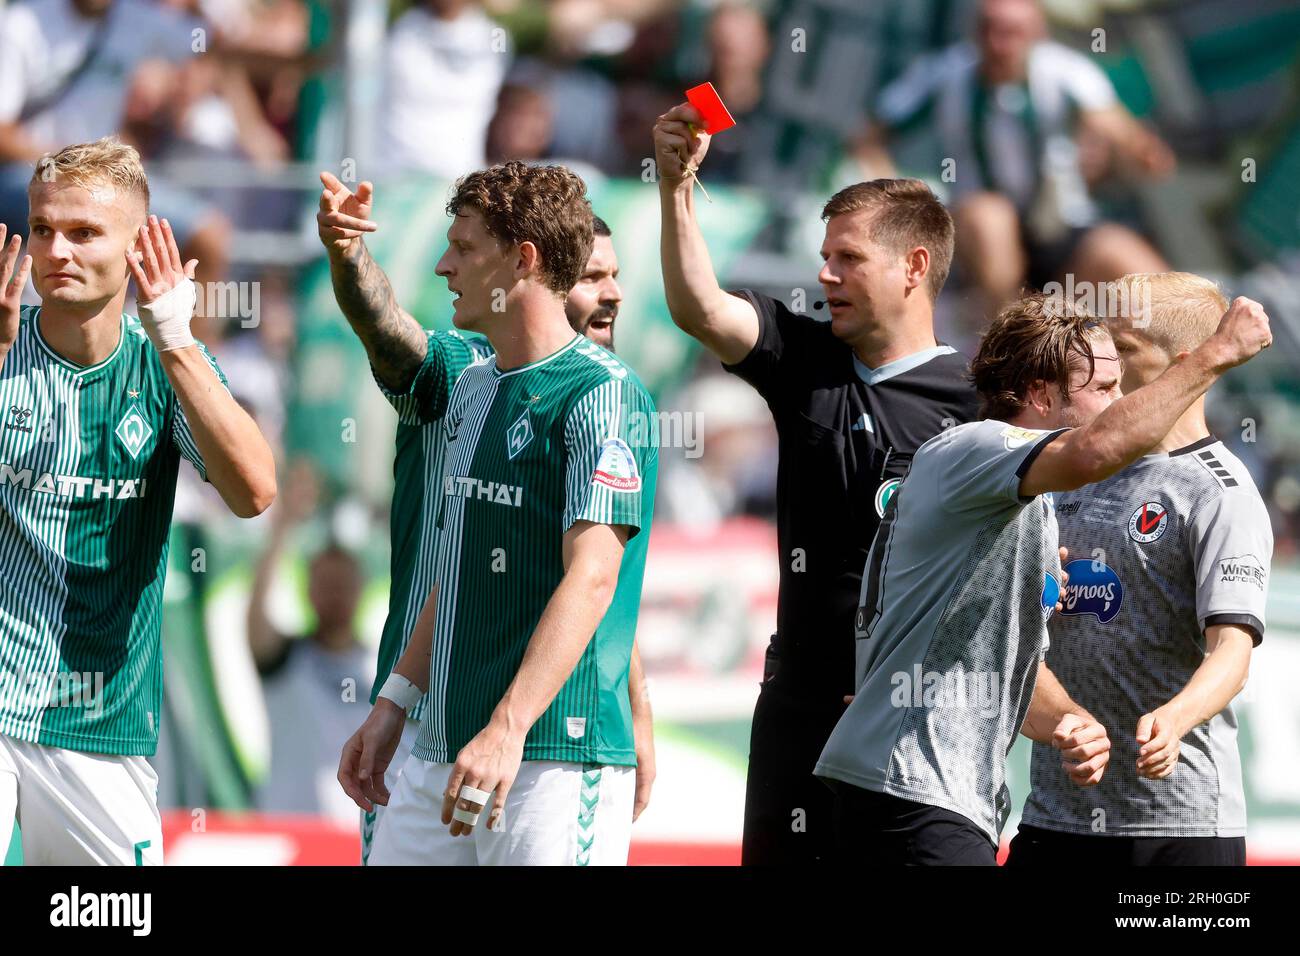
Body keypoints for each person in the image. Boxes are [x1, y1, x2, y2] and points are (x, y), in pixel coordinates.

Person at [815, 289, 1271, 865]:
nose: (1120, 402)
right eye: (1104, 389)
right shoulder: (979, 449)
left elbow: (1003, 654)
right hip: (915, 785)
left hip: (933, 794)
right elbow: (1096, 448)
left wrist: (1070, 723)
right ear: (1039, 394)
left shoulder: (1016, 498)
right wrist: (1218, 353)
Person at [654, 104, 981, 864]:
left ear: (915, 266)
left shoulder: (977, 405)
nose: (825, 275)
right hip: (798, 704)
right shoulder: (805, 357)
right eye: (823, 256)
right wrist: (676, 187)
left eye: (849, 258)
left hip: (916, 716)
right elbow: (698, 307)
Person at [323, 161, 657, 865]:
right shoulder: (473, 388)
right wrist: (393, 704)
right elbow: (460, 571)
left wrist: (509, 727)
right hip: (446, 744)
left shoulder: (605, 396)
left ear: (523, 260)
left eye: (465, 248)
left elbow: (595, 580)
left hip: (551, 756)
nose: (445, 265)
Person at [0, 137, 275, 864]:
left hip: (99, 724)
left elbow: (254, 492)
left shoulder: (163, 365)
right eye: (44, 229)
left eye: (84, 232)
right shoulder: (1, 348)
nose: (56, 249)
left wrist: (177, 336)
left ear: (137, 250)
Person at [1008, 273, 1272, 866]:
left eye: (1124, 349)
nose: (1106, 364)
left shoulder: (1218, 491)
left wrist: (1175, 720)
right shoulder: (1070, 467)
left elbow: (1232, 651)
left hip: (1178, 825)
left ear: (1185, 364)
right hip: (1055, 816)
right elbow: (1024, 624)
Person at [858, 0, 1173, 314]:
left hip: (1062, 227)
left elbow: (1113, 124)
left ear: (1037, 34)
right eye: (989, 31)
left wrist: (1138, 150)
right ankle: (1010, 338)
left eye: (1012, 33)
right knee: (991, 218)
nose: (999, 44)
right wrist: (900, 202)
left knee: (1145, 274)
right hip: (978, 236)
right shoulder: (945, 74)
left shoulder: (1065, 71)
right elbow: (869, 137)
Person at [246, 461, 375, 824]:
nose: (335, 595)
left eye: (343, 585)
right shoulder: (284, 658)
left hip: (356, 836)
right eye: (326, 585)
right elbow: (255, 617)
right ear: (308, 591)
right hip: (290, 832)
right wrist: (283, 523)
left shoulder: (382, 666)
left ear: (360, 589)